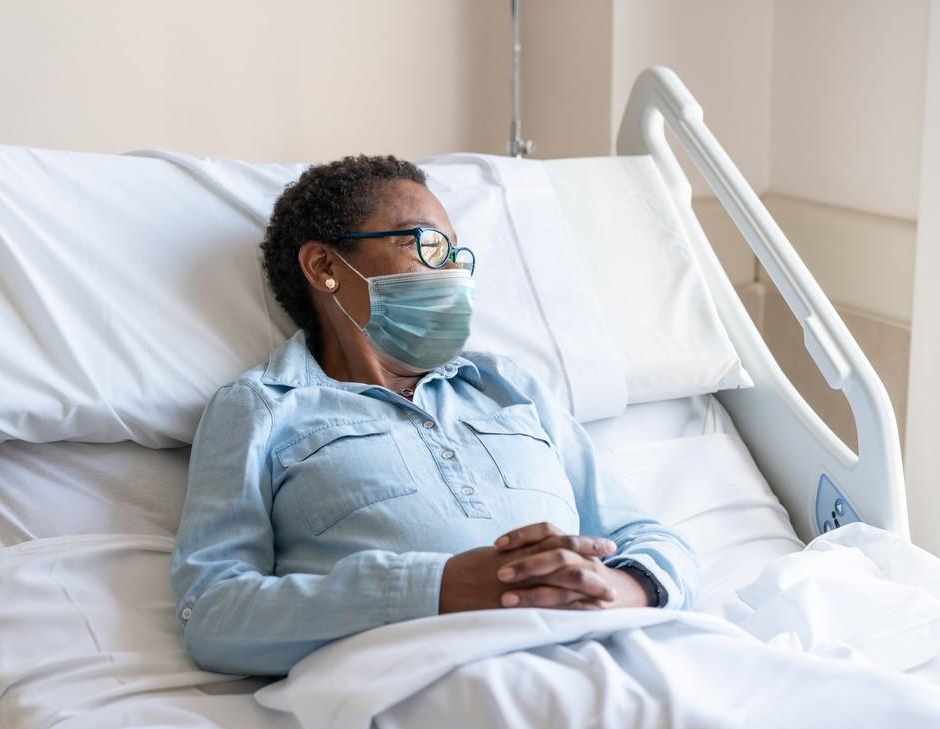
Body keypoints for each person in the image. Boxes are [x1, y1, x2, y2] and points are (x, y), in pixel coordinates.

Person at [171, 155, 699, 676]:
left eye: (457, 254)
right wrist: (439, 588)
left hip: (613, 651)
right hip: (437, 679)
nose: (451, 270)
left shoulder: (507, 386)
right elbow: (214, 613)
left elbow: (651, 539)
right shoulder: (263, 406)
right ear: (325, 267)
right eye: (424, 243)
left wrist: (616, 589)